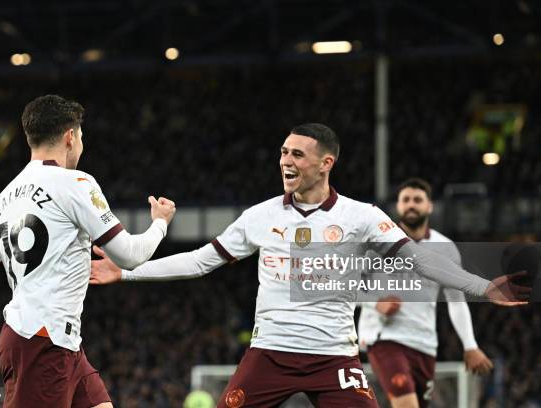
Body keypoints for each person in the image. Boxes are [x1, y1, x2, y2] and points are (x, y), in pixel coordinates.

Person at [89, 123, 528, 408]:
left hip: (333, 356)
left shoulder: (361, 216)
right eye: (283, 152)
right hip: (269, 354)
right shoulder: (261, 216)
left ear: (326, 163)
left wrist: (481, 287)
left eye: (298, 154)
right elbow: (202, 262)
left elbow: (421, 260)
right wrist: (126, 272)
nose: (286, 161)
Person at [0, 95, 176, 408]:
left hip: (54, 339)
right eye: (81, 136)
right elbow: (130, 255)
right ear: (70, 137)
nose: (81, 144)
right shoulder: (76, 183)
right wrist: (160, 225)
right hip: (42, 342)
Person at [358, 178, 492, 408]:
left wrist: (470, 345)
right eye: (406, 200)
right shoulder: (377, 242)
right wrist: (374, 303)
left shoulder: (446, 248)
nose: (411, 204)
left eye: (417, 200)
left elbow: (456, 302)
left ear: (429, 206)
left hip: (425, 344)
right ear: (398, 206)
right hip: (384, 338)